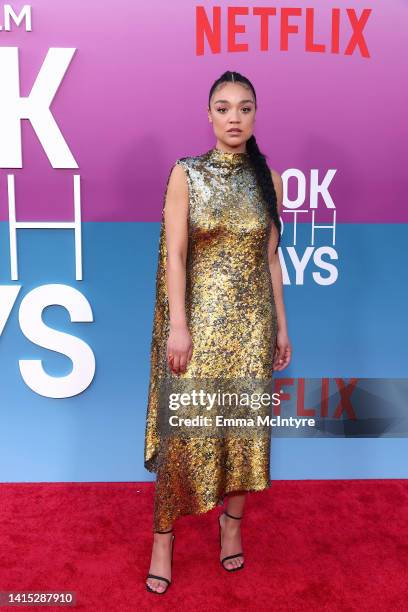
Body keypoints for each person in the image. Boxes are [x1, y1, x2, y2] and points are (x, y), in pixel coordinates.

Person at [144, 70, 292, 594]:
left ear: (256, 115)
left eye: (245, 108)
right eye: (224, 108)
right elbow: (176, 254)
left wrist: (281, 324)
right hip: (198, 328)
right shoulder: (186, 173)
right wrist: (178, 326)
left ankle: (232, 526)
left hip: (252, 327)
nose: (235, 117)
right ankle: (164, 536)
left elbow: (271, 258)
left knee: (244, 430)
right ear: (208, 115)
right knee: (183, 435)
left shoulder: (268, 180)